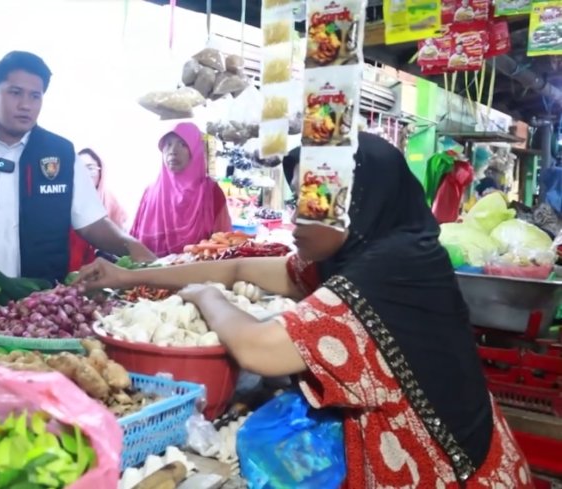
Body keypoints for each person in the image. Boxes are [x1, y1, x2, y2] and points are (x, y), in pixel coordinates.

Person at [79, 133, 530, 487]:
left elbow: (260, 349)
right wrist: (130, 277)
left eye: (312, 205)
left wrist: (206, 297)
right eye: (299, 202)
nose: (296, 218)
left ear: (357, 203)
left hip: (451, 472)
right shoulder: (369, 247)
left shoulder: (389, 272)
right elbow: (236, 267)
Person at [0, 51, 155, 288]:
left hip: (36, 303)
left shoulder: (60, 153)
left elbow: (92, 223)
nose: (25, 105)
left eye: (35, 96)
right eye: (15, 93)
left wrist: (131, 246)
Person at [130, 122, 231, 256]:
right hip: (151, 273)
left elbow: (223, 244)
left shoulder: (210, 193)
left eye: (183, 144)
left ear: (196, 150)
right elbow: (134, 243)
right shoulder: (150, 192)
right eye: (168, 144)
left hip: (199, 274)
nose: (173, 151)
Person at [68, 148, 129, 270]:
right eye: (80, 169)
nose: (85, 173)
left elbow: (122, 244)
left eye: (90, 168)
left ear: (100, 172)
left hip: (108, 271)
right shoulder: (65, 201)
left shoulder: (111, 203)